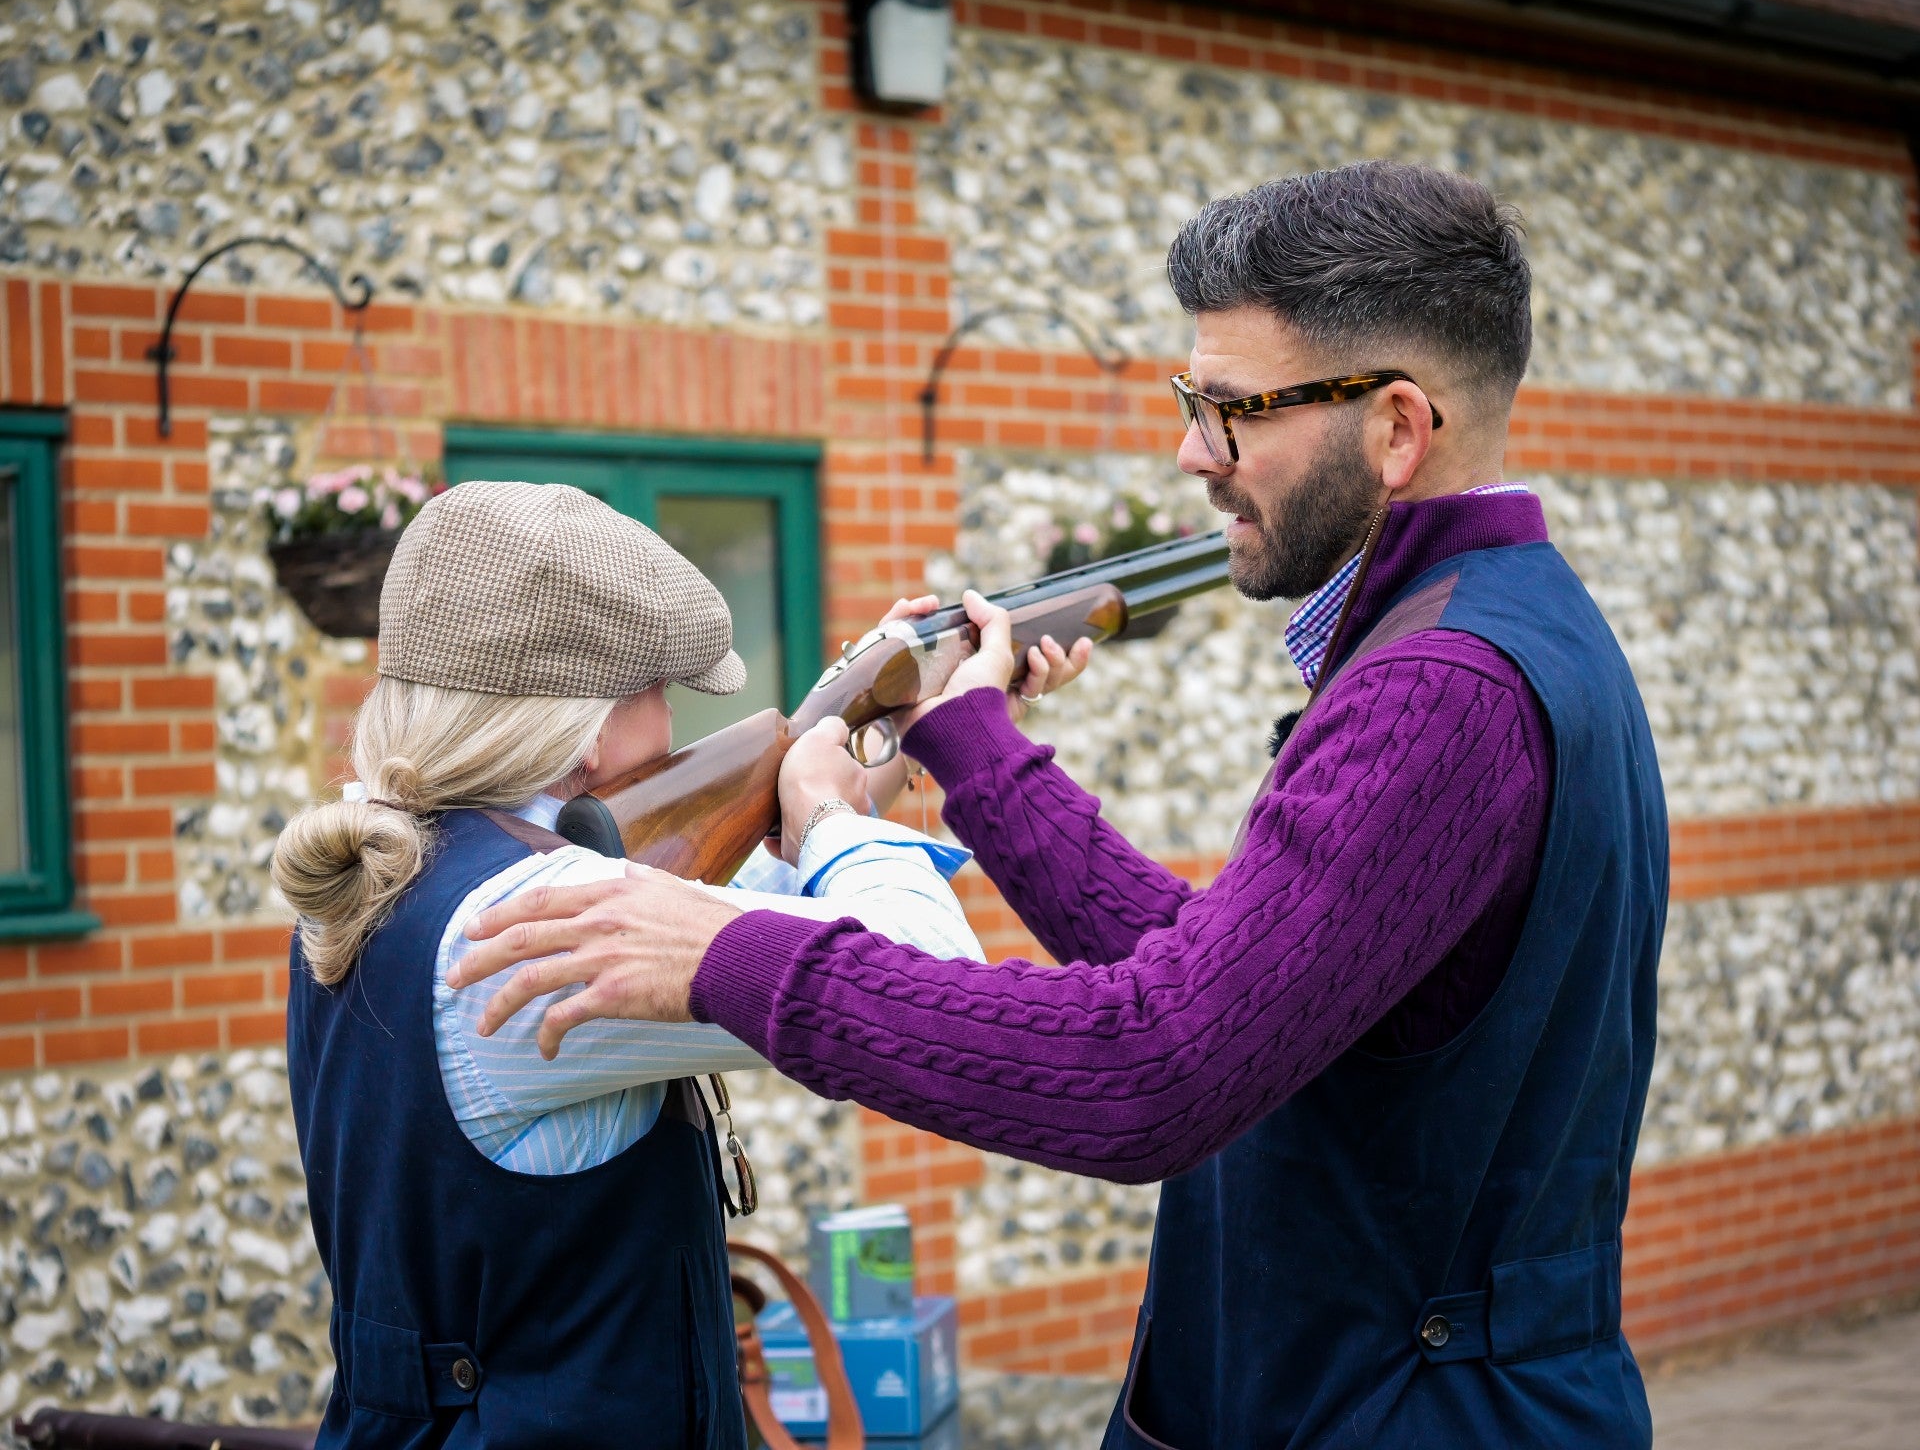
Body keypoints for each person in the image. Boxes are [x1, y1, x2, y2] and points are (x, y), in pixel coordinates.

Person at [453, 162, 1667, 1448]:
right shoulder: (1499, 630)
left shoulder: (1435, 692)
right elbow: (1216, 983)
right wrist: (974, 748)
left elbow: (1149, 1067)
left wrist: (728, 953)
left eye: (1228, 408)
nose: (1191, 451)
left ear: (1398, 429)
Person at [275, 480, 1037, 1449]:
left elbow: (734, 915)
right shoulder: (544, 914)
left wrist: (877, 743)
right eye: (662, 694)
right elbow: (935, 995)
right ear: (589, 728)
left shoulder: (402, 867)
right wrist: (833, 816)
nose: (676, 730)